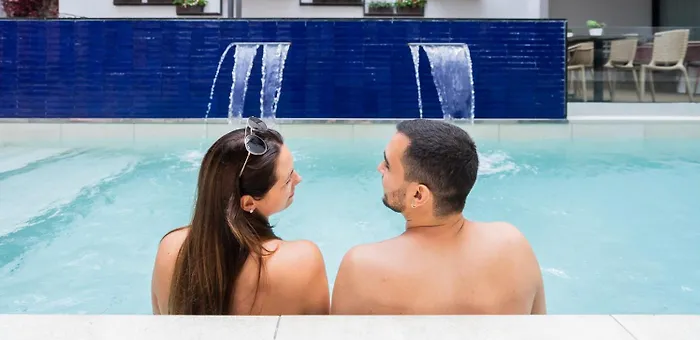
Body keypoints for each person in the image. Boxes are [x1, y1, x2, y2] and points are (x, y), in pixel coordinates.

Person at [331, 119, 546, 315]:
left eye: (388, 165)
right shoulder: (514, 246)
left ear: (418, 195)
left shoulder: (362, 267)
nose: (380, 168)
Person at [150, 117, 330, 315]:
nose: (298, 179)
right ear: (249, 203)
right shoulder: (302, 261)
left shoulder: (171, 248)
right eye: (288, 179)